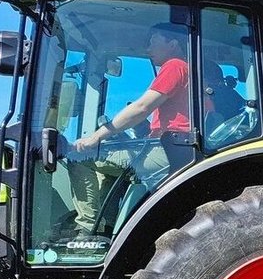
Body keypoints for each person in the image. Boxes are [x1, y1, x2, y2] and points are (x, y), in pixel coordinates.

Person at [66, 22, 191, 238]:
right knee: (113, 167)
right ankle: (106, 228)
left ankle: (86, 229)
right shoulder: (184, 69)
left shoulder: (175, 66)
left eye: (154, 42)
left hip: (165, 151)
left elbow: (142, 107)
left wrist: (96, 137)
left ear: (172, 44)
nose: (148, 49)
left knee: (79, 157)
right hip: (169, 147)